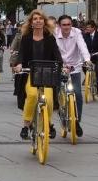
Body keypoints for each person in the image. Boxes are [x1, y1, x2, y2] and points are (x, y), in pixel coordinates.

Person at [11, 9, 62, 139]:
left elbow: (57, 56)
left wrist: (62, 67)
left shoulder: (50, 38)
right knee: (33, 95)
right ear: (31, 23)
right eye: (35, 19)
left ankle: (49, 124)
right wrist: (19, 64)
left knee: (49, 101)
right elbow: (21, 54)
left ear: (44, 22)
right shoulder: (26, 39)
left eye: (40, 18)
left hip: (47, 74)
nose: (38, 20)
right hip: (31, 73)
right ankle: (26, 125)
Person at [55, 15, 90, 137]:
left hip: (74, 68)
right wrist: (60, 64)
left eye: (69, 24)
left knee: (78, 94)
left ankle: (77, 122)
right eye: (64, 25)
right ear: (59, 26)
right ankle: (62, 114)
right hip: (59, 67)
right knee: (58, 94)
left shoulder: (76, 33)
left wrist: (87, 59)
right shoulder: (54, 34)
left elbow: (82, 47)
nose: (67, 27)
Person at [83, 20, 98, 95]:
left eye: (89, 27)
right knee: (83, 67)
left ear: (93, 28)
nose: (87, 29)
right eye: (86, 27)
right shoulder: (85, 36)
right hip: (88, 56)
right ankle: (88, 77)